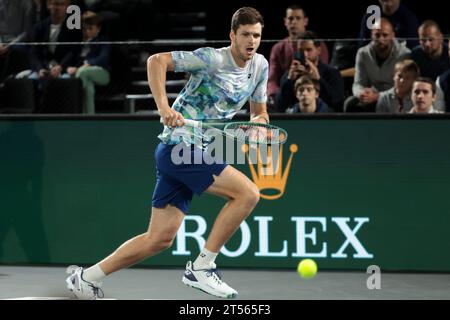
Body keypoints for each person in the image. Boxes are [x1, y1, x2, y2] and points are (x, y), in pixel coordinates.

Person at [66, 7, 268, 300]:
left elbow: (259, 113)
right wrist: (164, 107)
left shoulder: (260, 66)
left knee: (158, 239)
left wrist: (259, 126)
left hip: (202, 147)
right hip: (179, 146)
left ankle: (85, 278)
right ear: (233, 35)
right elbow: (156, 61)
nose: (252, 41)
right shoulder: (211, 59)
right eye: (246, 35)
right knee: (248, 193)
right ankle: (202, 267)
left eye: (257, 35)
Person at [267, 4, 329, 109]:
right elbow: (272, 79)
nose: (294, 22)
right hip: (287, 93)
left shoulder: (319, 45)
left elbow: (322, 71)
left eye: (298, 18)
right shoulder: (277, 48)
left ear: (305, 21)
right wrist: (274, 97)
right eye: (290, 18)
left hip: (313, 93)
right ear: (285, 21)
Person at [345, 18, 410, 112]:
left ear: (392, 35)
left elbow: (402, 87)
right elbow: (358, 83)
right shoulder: (363, 53)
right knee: (349, 103)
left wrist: (378, 96)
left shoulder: (404, 54)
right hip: (371, 95)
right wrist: (361, 93)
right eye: (377, 35)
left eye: (385, 35)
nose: (381, 39)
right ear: (372, 36)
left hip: (394, 96)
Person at [276, 31, 344, 112]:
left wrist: (319, 79)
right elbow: (280, 106)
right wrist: (289, 80)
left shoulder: (332, 73)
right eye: (301, 50)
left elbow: (337, 103)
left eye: (308, 50)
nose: (305, 54)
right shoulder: (290, 74)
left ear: (318, 50)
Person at [65, 11, 110, 114]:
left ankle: (75, 102)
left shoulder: (103, 41)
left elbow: (103, 58)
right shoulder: (80, 43)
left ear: (98, 29)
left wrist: (88, 64)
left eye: (90, 28)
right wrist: (67, 67)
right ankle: (89, 117)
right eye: (84, 28)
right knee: (88, 88)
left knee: (83, 72)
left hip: (102, 73)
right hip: (82, 73)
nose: (87, 32)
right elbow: (70, 58)